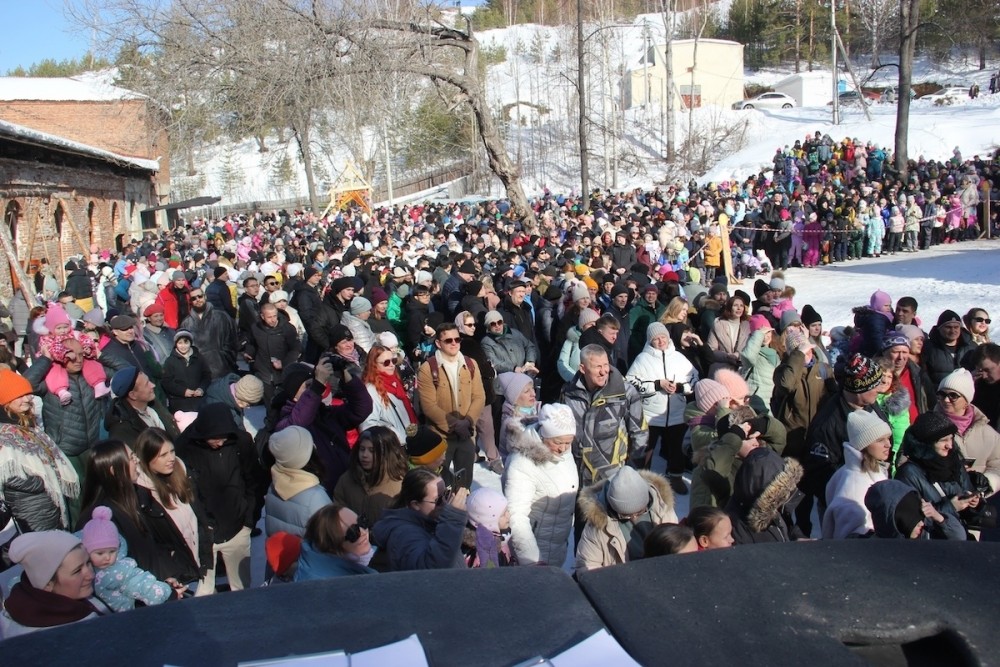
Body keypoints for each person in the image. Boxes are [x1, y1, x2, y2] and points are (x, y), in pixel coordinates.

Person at [175, 404, 267, 594]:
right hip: (203, 533)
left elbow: (255, 481)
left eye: (224, 437)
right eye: (214, 438)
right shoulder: (184, 446)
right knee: (203, 592)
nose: (220, 442)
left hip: (238, 527)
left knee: (241, 588)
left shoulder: (241, 441)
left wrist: (249, 520)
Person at [0, 368, 79, 532]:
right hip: (29, 512)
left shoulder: (28, 427)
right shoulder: (4, 435)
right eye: (20, 395)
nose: (28, 399)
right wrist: (38, 482)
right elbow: (7, 473)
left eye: (28, 394)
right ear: (5, 400)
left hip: (49, 504)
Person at [502, 405, 578, 567]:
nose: (563, 448)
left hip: (556, 546)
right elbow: (516, 516)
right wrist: (532, 560)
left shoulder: (563, 450)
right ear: (543, 434)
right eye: (558, 442)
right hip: (535, 553)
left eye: (568, 442)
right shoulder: (523, 463)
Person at [562, 344, 648, 487]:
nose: (603, 372)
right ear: (582, 368)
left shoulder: (625, 393)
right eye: (597, 367)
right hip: (576, 474)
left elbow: (639, 432)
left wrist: (632, 469)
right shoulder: (568, 393)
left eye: (606, 365)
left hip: (612, 476)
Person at [626, 322, 697, 492]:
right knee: (645, 449)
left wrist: (680, 388)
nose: (660, 341)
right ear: (650, 341)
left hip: (677, 413)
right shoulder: (642, 358)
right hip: (650, 414)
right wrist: (657, 385)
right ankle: (641, 480)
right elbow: (630, 382)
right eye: (656, 339)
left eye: (663, 337)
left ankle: (676, 477)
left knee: (676, 448)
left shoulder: (679, 358)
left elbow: (695, 380)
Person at [134, 427, 210, 587]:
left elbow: (198, 512)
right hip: (172, 575)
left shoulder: (181, 472)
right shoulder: (141, 494)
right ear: (147, 458)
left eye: (172, 451)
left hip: (196, 561)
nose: (171, 459)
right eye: (162, 455)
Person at [416, 323, 486, 490]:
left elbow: (479, 396)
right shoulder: (427, 369)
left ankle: (461, 514)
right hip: (441, 437)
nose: (454, 343)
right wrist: (457, 426)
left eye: (457, 339)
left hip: (467, 435)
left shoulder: (471, 364)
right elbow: (429, 406)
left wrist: (467, 422)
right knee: (439, 485)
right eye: (448, 340)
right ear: (438, 343)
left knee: (464, 485)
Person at [1, 531, 110, 638]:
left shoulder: (71, 596)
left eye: (88, 563)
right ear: (48, 583)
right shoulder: (58, 635)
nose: (90, 575)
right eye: (77, 571)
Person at [576, 465, 678, 572]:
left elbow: (678, 548)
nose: (634, 518)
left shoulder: (663, 507)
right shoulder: (597, 525)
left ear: (648, 500)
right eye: (625, 515)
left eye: (640, 512)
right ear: (613, 507)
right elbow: (587, 566)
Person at [894, 411, 978, 537]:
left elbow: (967, 492)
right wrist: (951, 507)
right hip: (931, 545)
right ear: (927, 443)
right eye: (943, 440)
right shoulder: (908, 473)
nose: (949, 445)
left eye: (951, 438)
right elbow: (910, 521)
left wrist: (973, 503)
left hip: (958, 537)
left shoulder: (954, 463)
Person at [81, 506, 180, 611]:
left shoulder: (121, 569)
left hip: (125, 616)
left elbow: (140, 583)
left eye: (112, 551)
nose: (107, 557)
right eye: (100, 553)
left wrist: (163, 594)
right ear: (87, 551)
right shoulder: (81, 570)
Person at [371, 468, 468, 571]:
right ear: (416, 504)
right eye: (438, 499)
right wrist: (452, 519)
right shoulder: (404, 534)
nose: (445, 502)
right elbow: (432, 569)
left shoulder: (429, 521)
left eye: (446, 494)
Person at [821, 411, 892, 539]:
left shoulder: (869, 470)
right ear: (864, 444)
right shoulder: (854, 484)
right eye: (880, 440)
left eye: (888, 438)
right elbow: (849, 538)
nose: (888, 444)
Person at [934, 368, 1000, 496]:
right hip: (940, 502)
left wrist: (986, 482)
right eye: (942, 394)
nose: (946, 400)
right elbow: (907, 463)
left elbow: (998, 465)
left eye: (953, 396)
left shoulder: (988, 433)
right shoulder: (926, 427)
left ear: (966, 400)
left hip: (978, 504)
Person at [724, 447, 803, 544]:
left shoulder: (774, 509)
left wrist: (796, 539)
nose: (787, 496)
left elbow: (783, 532)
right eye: (781, 493)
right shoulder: (736, 530)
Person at [264, 426, 331, 538]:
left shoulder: (274, 486)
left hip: (283, 554)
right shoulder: (316, 497)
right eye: (310, 445)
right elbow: (330, 540)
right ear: (303, 456)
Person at [333, 426, 407, 524]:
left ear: (386, 453)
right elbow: (338, 512)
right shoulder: (346, 480)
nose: (364, 455)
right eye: (362, 449)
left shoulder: (400, 483)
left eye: (372, 451)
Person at [293, 504, 378, 581]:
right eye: (353, 532)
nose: (363, 532)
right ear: (331, 545)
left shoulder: (365, 558)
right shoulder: (325, 583)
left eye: (362, 522)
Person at [104, 367, 181, 448]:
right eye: (147, 384)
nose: (153, 385)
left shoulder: (153, 405)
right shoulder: (122, 431)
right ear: (133, 395)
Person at [863, 479, 966, 540]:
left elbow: (959, 538)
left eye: (920, 518)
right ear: (899, 521)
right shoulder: (875, 549)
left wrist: (939, 517)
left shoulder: (925, 533)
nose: (921, 524)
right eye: (914, 521)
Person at [245, 302, 301, 409]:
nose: (273, 319)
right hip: (264, 370)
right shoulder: (256, 328)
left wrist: (284, 363)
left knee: (284, 402)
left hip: (283, 372)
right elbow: (251, 343)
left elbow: (296, 348)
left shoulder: (287, 328)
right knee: (269, 403)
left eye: (274, 316)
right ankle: (270, 424)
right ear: (262, 316)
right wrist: (249, 353)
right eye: (269, 317)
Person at [360, 344, 416, 442]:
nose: (392, 365)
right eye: (386, 362)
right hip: (393, 446)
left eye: (393, 361)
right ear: (374, 365)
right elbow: (368, 425)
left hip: (409, 440)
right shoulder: (370, 390)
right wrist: (395, 434)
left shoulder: (395, 382)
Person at [179, 287, 239, 380]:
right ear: (191, 301)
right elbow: (184, 348)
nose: (198, 300)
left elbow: (233, 340)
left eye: (200, 296)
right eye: (193, 298)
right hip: (201, 373)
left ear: (205, 296)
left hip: (224, 369)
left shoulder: (221, 316)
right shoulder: (186, 323)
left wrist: (223, 357)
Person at [160, 329, 211, 422]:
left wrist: (201, 389)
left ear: (190, 343)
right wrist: (183, 391)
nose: (183, 346)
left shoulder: (199, 358)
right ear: (176, 344)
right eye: (180, 343)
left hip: (199, 401)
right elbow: (166, 382)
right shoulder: (170, 361)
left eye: (186, 342)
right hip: (179, 404)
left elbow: (207, 376)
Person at [462, 487, 517, 568]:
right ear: (488, 522)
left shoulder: (498, 537)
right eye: (503, 515)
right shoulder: (486, 557)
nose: (508, 515)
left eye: (507, 510)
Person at [922, 310, 977, 386]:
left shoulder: (971, 347)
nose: (953, 331)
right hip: (938, 394)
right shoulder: (928, 347)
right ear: (939, 328)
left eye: (956, 327)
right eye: (948, 327)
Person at [495, 372, 539, 461]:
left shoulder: (534, 411)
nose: (533, 394)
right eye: (527, 391)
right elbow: (529, 452)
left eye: (533, 389)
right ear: (514, 398)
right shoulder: (512, 423)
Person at [706, 292, 751, 374]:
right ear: (729, 308)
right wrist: (727, 357)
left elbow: (751, 349)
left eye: (741, 306)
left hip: (741, 371)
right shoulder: (718, 324)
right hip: (722, 370)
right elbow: (711, 350)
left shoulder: (747, 326)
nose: (739, 308)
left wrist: (738, 355)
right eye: (735, 305)